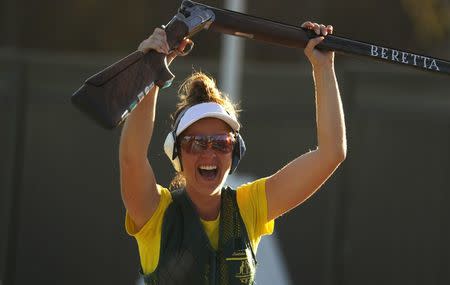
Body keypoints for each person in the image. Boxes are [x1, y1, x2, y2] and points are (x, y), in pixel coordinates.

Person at [119, 21, 346, 285]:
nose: (209, 154)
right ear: (176, 152)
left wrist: (323, 66)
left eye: (221, 143)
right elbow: (131, 158)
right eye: (195, 143)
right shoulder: (155, 213)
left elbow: (332, 153)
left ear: (235, 151)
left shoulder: (249, 207)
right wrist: (150, 71)